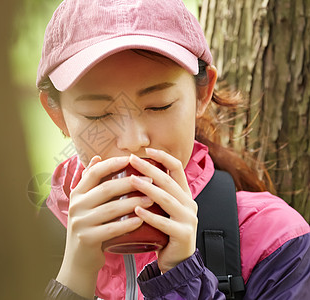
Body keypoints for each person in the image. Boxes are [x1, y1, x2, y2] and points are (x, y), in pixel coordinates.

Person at [36, 0, 310, 299]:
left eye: (159, 106)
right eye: (98, 114)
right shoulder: (20, 243)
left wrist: (183, 277)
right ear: (58, 116)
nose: (133, 140)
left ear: (202, 94)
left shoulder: (275, 240)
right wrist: (73, 279)